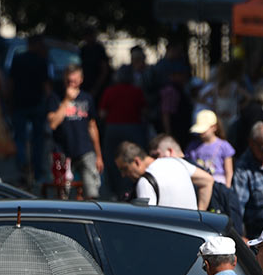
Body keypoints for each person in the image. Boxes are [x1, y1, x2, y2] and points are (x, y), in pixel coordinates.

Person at [43, 64, 101, 198]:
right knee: (63, 193)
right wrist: (67, 101)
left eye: (74, 81)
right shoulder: (55, 98)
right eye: (69, 81)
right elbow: (53, 123)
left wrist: (98, 155)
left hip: (85, 150)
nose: (71, 85)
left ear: (81, 80)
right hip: (62, 152)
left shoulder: (87, 98)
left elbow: (92, 126)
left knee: (92, 192)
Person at [7, 35, 53, 188]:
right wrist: (48, 104)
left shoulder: (18, 59)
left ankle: (23, 168)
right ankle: (37, 172)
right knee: (37, 140)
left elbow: (11, 83)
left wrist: (10, 103)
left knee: (20, 138)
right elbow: (47, 87)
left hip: (20, 104)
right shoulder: (42, 61)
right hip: (36, 104)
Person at [115, 141, 213, 211]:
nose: (123, 175)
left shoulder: (145, 182)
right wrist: (200, 214)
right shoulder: (177, 162)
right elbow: (207, 180)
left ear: (137, 161)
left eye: (125, 169)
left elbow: (146, 222)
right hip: (194, 232)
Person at [98, 64, 149, 199]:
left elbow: (102, 114)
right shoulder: (137, 91)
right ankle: (130, 190)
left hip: (113, 129)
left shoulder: (110, 91)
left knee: (112, 160)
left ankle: (115, 191)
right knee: (132, 159)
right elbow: (144, 112)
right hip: (133, 128)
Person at [187, 110, 235, 186]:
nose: (201, 133)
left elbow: (229, 171)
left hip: (218, 184)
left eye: (204, 129)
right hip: (198, 183)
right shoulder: (192, 146)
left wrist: (227, 187)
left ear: (214, 127)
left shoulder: (224, 146)